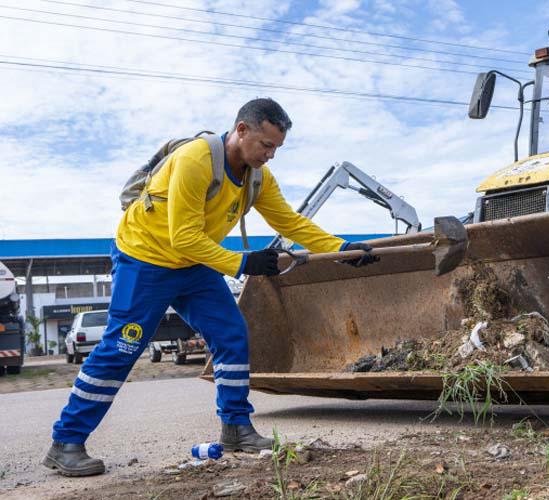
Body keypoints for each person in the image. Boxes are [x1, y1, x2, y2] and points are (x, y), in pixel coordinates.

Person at [42, 98, 376, 477]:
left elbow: (291, 222)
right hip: (146, 258)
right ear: (242, 129)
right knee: (123, 346)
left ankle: (236, 428)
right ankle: (66, 442)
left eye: (276, 148)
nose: (270, 155)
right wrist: (242, 262)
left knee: (232, 334)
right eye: (266, 145)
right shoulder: (196, 160)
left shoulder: (257, 177)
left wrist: (341, 249)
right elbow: (183, 236)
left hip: (194, 264)